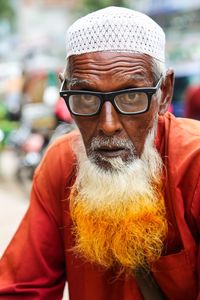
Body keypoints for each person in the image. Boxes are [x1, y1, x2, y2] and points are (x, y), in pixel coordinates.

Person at [0, 6, 199, 300]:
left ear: (164, 93)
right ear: (64, 91)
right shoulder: (60, 163)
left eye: (132, 96)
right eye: (85, 97)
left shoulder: (193, 162)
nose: (108, 125)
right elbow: (23, 289)